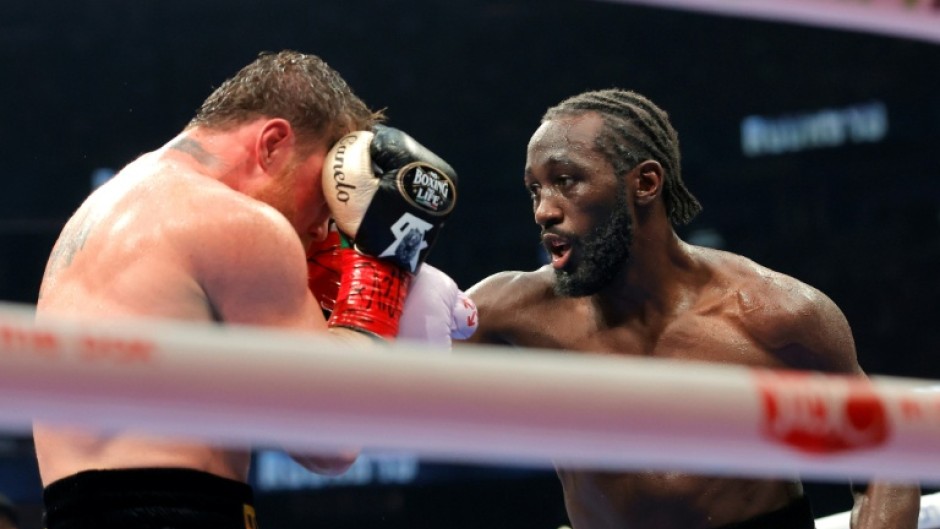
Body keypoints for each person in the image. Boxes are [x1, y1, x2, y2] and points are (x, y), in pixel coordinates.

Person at [32, 49, 468, 529]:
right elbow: (329, 443)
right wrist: (379, 279)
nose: (327, 231)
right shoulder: (238, 223)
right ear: (273, 143)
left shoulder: (113, 205)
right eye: (327, 198)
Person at [463, 88, 920, 529]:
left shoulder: (773, 314)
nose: (544, 211)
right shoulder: (513, 310)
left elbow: (887, 463)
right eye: (534, 189)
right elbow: (395, 374)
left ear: (645, 183)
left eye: (566, 181)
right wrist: (393, 250)